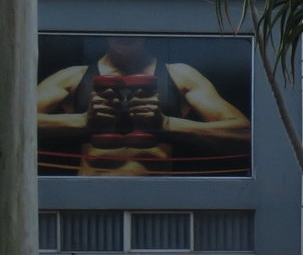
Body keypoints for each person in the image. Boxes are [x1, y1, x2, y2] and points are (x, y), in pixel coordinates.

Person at [36, 35, 251, 176]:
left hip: (156, 200)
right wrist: (83, 121)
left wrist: (166, 124)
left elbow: (244, 135)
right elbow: (18, 126)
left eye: (132, 27)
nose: (124, 35)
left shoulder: (180, 75)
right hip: (90, 196)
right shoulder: (73, 77)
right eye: (116, 28)